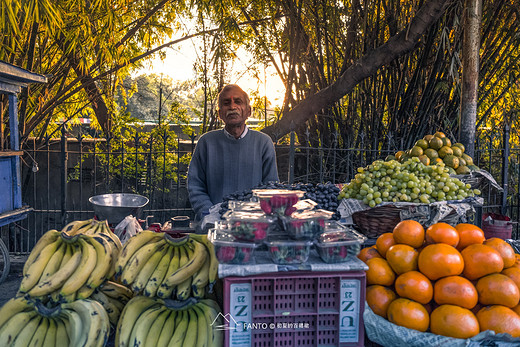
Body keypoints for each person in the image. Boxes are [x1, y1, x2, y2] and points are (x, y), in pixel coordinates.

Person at [187, 84, 279, 220]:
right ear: (219, 114)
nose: (232, 107)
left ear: (248, 111)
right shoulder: (206, 142)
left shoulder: (263, 143)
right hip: (213, 224)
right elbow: (195, 185)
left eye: (238, 101)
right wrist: (210, 215)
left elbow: (271, 188)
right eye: (226, 103)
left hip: (253, 224)